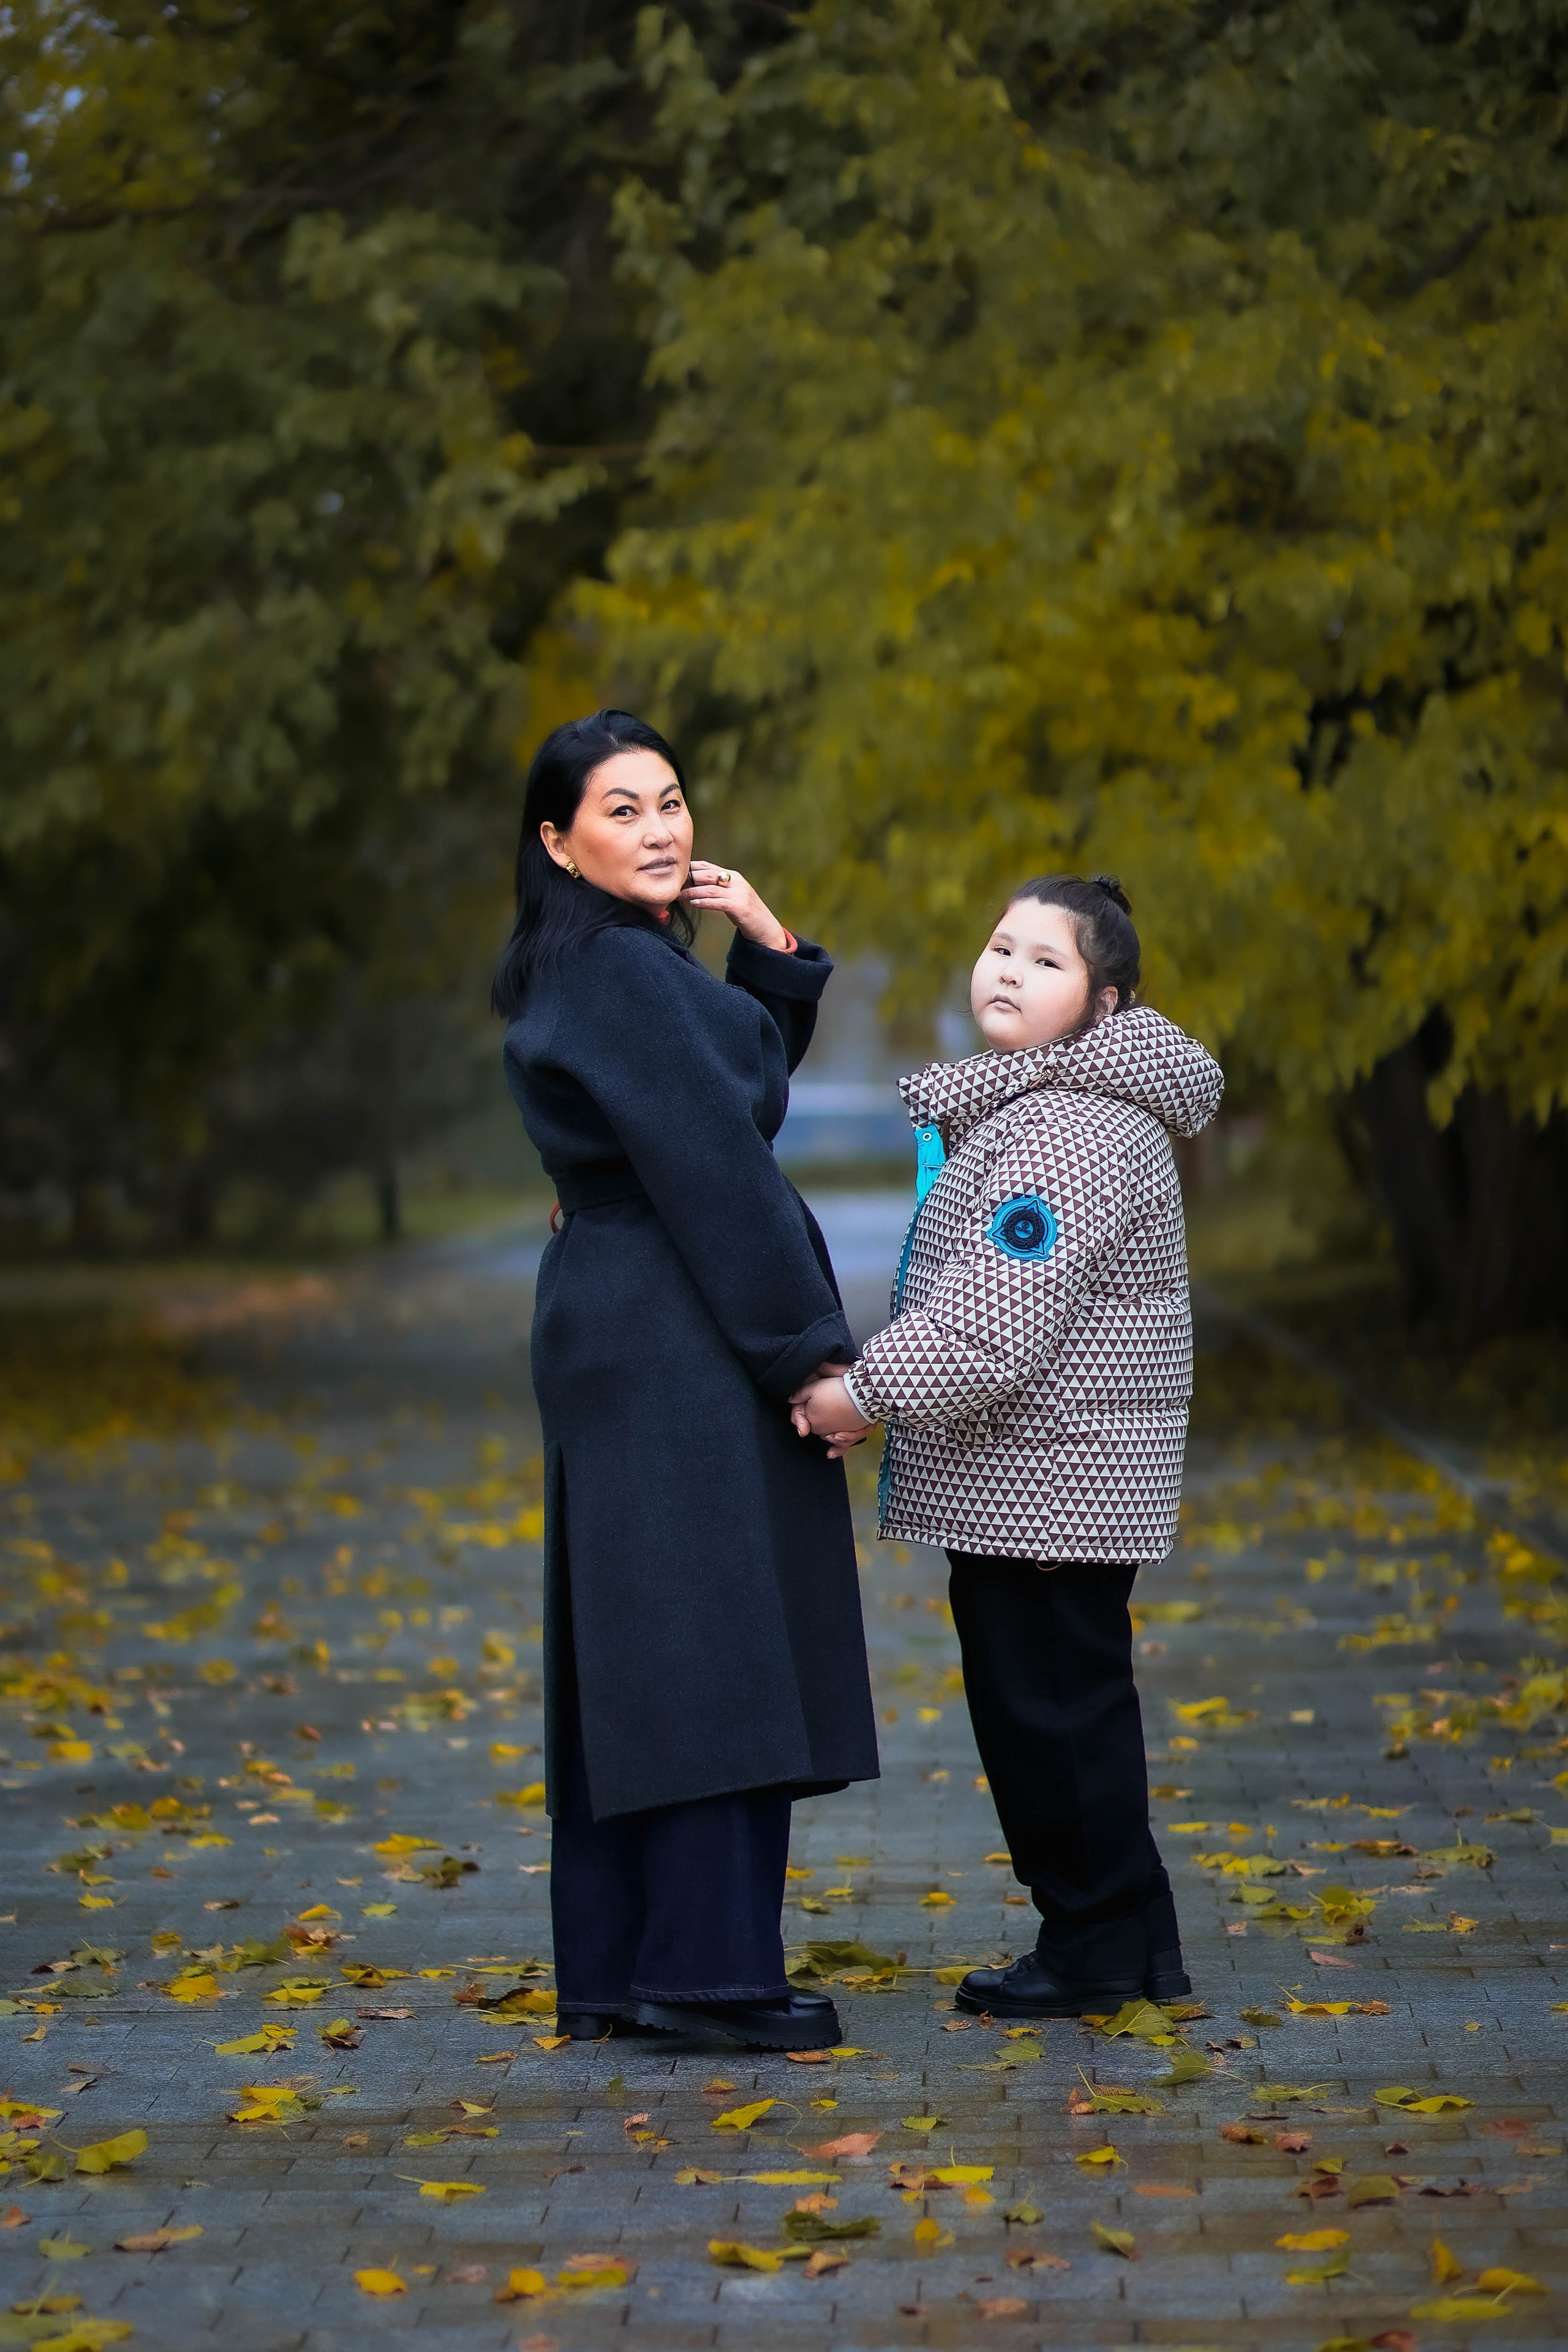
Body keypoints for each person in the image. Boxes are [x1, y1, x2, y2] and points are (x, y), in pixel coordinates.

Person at [494, 709, 878, 2051]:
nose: (659, 829)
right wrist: (809, 1352)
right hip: (672, 1319)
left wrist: (766, 946)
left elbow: (730, 1091)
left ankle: (626, 1967)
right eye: (622, 810)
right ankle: (706, 1976)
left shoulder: (604, 960)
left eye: (669, 801)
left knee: (646, 1637)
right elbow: (721, 1167)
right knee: (712, 1635)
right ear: (559, 841)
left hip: (625, 1311)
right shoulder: (620, 969)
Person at [791, 875, 1223, 2016]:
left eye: (1046, 961)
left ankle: (1094, 1946)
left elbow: (993, 1322)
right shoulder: (1048, 1106)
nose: (1010, 973)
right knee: (1070, 1704)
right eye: (1001, 948)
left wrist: (859, 1396)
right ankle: (1131, 1935)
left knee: (1048, 1716)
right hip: (1046, 1474)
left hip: (1049, 1480)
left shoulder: (1067, 1131)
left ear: (1105, 1002)